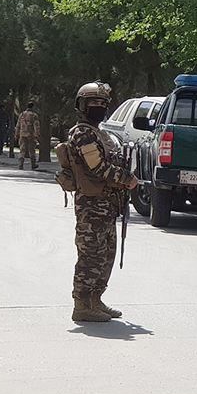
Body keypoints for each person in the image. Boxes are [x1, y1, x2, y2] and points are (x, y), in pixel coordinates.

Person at [67, 82, 138, 322]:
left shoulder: (100, 133)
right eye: (93, 103)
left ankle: (95, 300)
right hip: (91, 206)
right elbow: (96, 167)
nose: (98, 107)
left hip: (107, 204)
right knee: (90, 256)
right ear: (82, 106)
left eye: (102, 103)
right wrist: (126, 178)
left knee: (106, 254)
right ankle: (82, 305)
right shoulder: (82, 133)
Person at [15, 102, 40, 170]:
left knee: (22, 150)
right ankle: (33, 164)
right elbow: (36, 126)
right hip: (31, 134)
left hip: (22, 134)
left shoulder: (22, 114)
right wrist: (37, 135)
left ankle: (20, 164)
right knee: (32, 150)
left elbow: (18, 125)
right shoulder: (34, 115)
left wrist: (16, 134)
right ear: (33, 107)